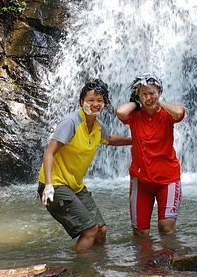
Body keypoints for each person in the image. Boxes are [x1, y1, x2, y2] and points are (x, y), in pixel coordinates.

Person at [38, 79, 131, 253]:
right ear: (81, 102)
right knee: (90, 230)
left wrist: (135, 140)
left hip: (75, 185)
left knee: (101, 231)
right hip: (55, 184)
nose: (95, 104)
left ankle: (97, 263)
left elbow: (109, 139)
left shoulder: (97, 126)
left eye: (100, 101)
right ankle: (80, 272)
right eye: (90, 100)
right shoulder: (71, 122)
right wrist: (48, 185)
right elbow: (49, 152)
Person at [115, 73, 186, 236]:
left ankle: (170, 260)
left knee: (166, 227)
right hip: (141, 181)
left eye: (152, 93)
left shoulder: (167, 113)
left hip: (167, 179)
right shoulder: (134, 115)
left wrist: (159, 101)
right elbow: (120, 112)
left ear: (160, 92)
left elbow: (180, 113)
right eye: (144, 94)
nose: (148, 97)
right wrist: (136, 102)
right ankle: (144, 262)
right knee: (140, 232)